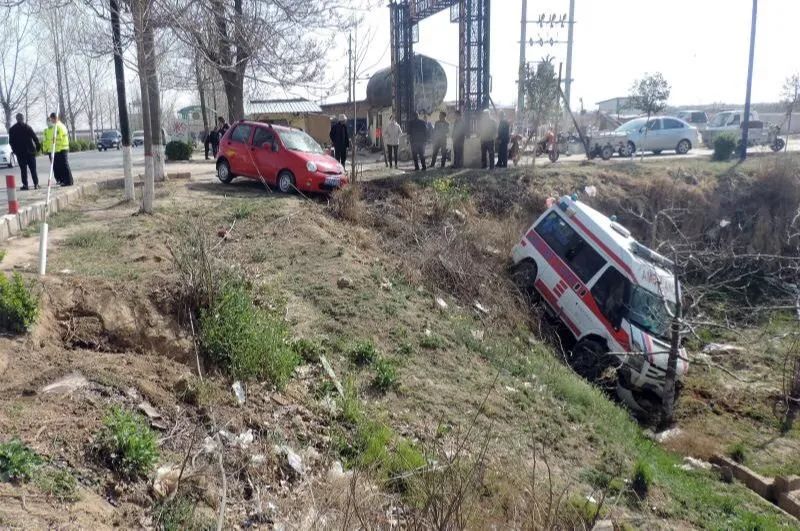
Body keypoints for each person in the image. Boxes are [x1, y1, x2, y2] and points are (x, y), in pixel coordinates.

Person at [8, 113, 41, 190]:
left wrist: (15, 150)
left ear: (16, 119)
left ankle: (25, 185)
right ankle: (36, 184)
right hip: (30, 152)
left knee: (23, 170)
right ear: (23, 118)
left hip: (20, 153)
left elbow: (11, 142)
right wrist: (38, 148)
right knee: (33, 169)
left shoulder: (12, 129)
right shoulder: (27, 127)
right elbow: (35, 138)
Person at [42, 113, 73, 186]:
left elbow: (58, 140)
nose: (51, 121)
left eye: (51, 119)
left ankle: (68, 181)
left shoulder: (58, 127)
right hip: (58, 149)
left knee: (64, 166)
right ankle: (64, 181)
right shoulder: (59, 126)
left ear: (54, 118)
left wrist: (56, 150)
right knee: (61, 166)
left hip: (60, 149)